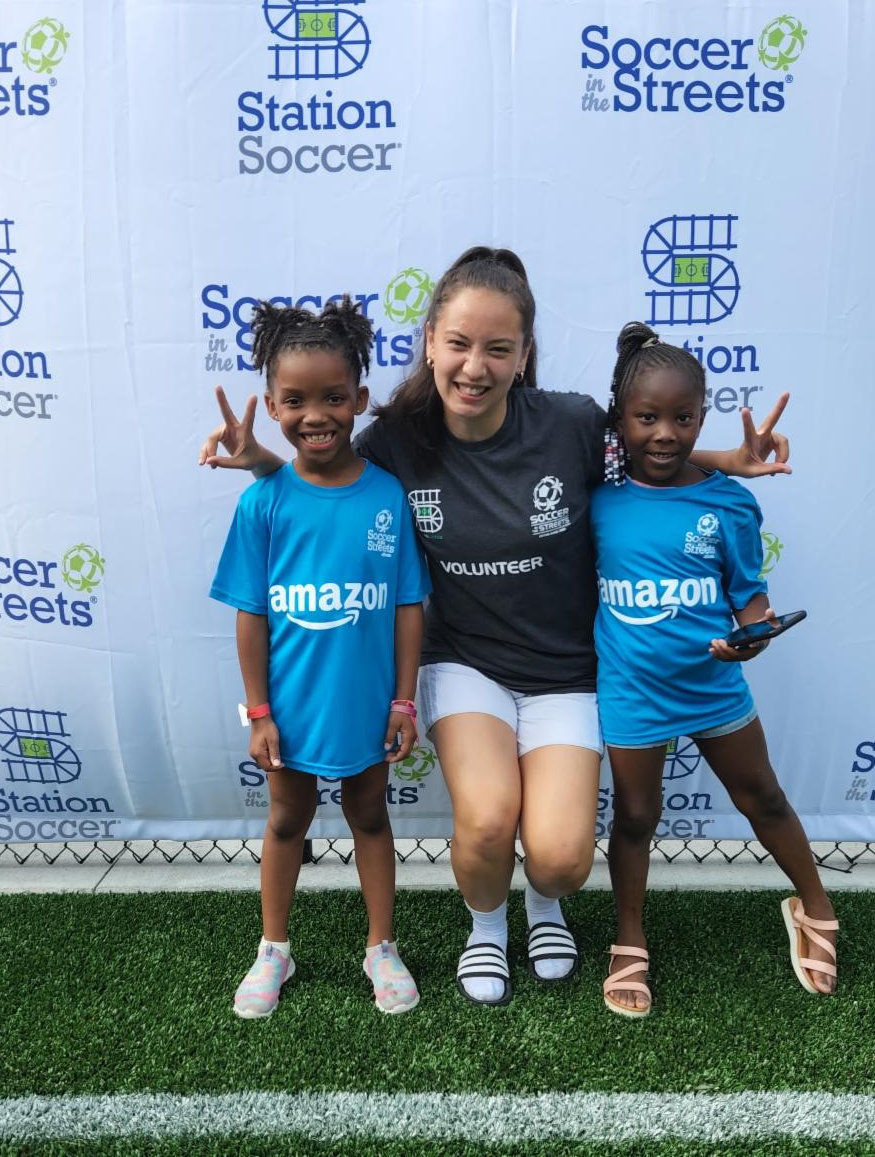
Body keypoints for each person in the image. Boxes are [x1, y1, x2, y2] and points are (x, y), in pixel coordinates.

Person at [201, 247, 791, 1007]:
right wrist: (261, 462)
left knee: (561, 857)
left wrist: (729, 460)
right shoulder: (396, 439)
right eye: (458, 343)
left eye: (498, 349)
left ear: (523, 355)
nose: (474, 367)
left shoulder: (572, 424)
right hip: (464, 664)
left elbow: (656, 450)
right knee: (484, 824)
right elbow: (324, 472)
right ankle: (486, 926)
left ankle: (543, 907)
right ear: (430, 343)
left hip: (566, 673)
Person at [592, 324, 838, 1018]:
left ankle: (815, 905)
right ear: (621, 419)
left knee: (763, 795)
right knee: (636, 815)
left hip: (712, 685)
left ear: (703, 415)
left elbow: (749, 596)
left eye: (683, 417)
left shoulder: (728, 501)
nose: (665, 434)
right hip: (632, 691)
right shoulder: (597, 493)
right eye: (647, 417)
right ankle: (629, 937)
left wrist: (753, 636)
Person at [209, 296, 430, 1019]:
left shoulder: (387, 496)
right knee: (286, 820)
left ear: (360, 399)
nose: (316, 415)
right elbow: (251, 614)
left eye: (334, 397)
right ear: (273, 406)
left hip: (366, 707)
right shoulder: (263, 501)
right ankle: (273, 948)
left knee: (370, 814)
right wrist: (259, 712)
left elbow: (407, 605)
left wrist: (404, 701)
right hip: (289, 711)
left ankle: (381, 946)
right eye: (296, 400)